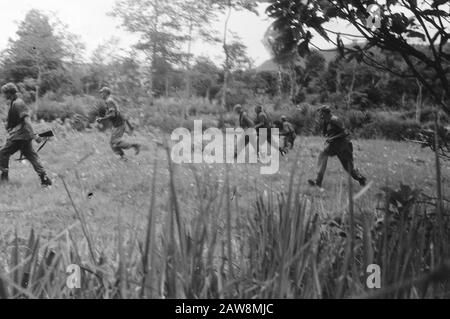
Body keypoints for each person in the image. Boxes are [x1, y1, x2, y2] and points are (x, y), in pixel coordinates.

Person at [0, 83, 52, 186]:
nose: (4, 95)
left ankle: (4, 177)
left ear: (9, 93)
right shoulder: (15, 102)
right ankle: (45, 179)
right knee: (32, 156)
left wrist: (35, 135)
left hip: (19, 137)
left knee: (2, 153)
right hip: (22, 136)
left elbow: (26, 120)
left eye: (5, 93)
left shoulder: (18, 103)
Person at [308, 105, 366, 188]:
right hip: (333, 145)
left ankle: (361, 178)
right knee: (323, 154)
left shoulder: (335, 120)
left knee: (348, 167)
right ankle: (317, 181)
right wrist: (325, 126)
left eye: (321, 112)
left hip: (343, 145)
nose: (320, 114)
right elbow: (326, 133)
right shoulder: (327, 121)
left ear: (325, 113)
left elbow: (345, 132)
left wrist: (332, 137)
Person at [96, 87, 141, 159]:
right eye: (101, 93)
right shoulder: (109, 101)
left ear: (106, 93)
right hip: (117, 124)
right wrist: (130, 126)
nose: (101, 95)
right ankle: (123, 157)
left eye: (102, 93)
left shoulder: (109, 101)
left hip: (119, 124)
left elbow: (113, 114)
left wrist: (102, 119)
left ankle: (134, 145)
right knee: (112, 143)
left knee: (115, 141)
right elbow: (117, 114)